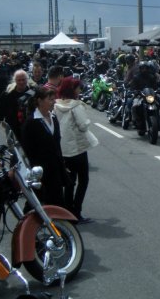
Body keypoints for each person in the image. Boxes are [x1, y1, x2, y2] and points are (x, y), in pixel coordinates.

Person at [55, 77, 99, 223]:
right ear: (72, 89)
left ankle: (67, 212)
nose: (80, 90)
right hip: (77, 149)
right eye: (78, 88)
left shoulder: (56, 104)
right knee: (83, 180)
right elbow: (83, 125)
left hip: (63, 149)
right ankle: (76, 211)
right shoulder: (76, 106)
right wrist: (87, 120)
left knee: (70, 181)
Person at [20, 87, 68, 207]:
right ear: (40, 101)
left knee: (57, 203)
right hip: (40, 171)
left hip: (55, 169)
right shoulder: (31, 122)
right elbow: (27, 149)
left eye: (54, 99)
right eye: (50, 99)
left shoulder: (53, 118)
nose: (53, 102)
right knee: (36, 204)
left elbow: (57, 144)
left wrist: (61, 164)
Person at [0, 69, 35, 141]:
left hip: (28, 128)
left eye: (23, 79)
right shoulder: (7, 94)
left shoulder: (32, 93)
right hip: (11, 127)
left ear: (27, 79)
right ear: (15, 80)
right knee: (14, 147)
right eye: (19, 80)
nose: (21, 82)